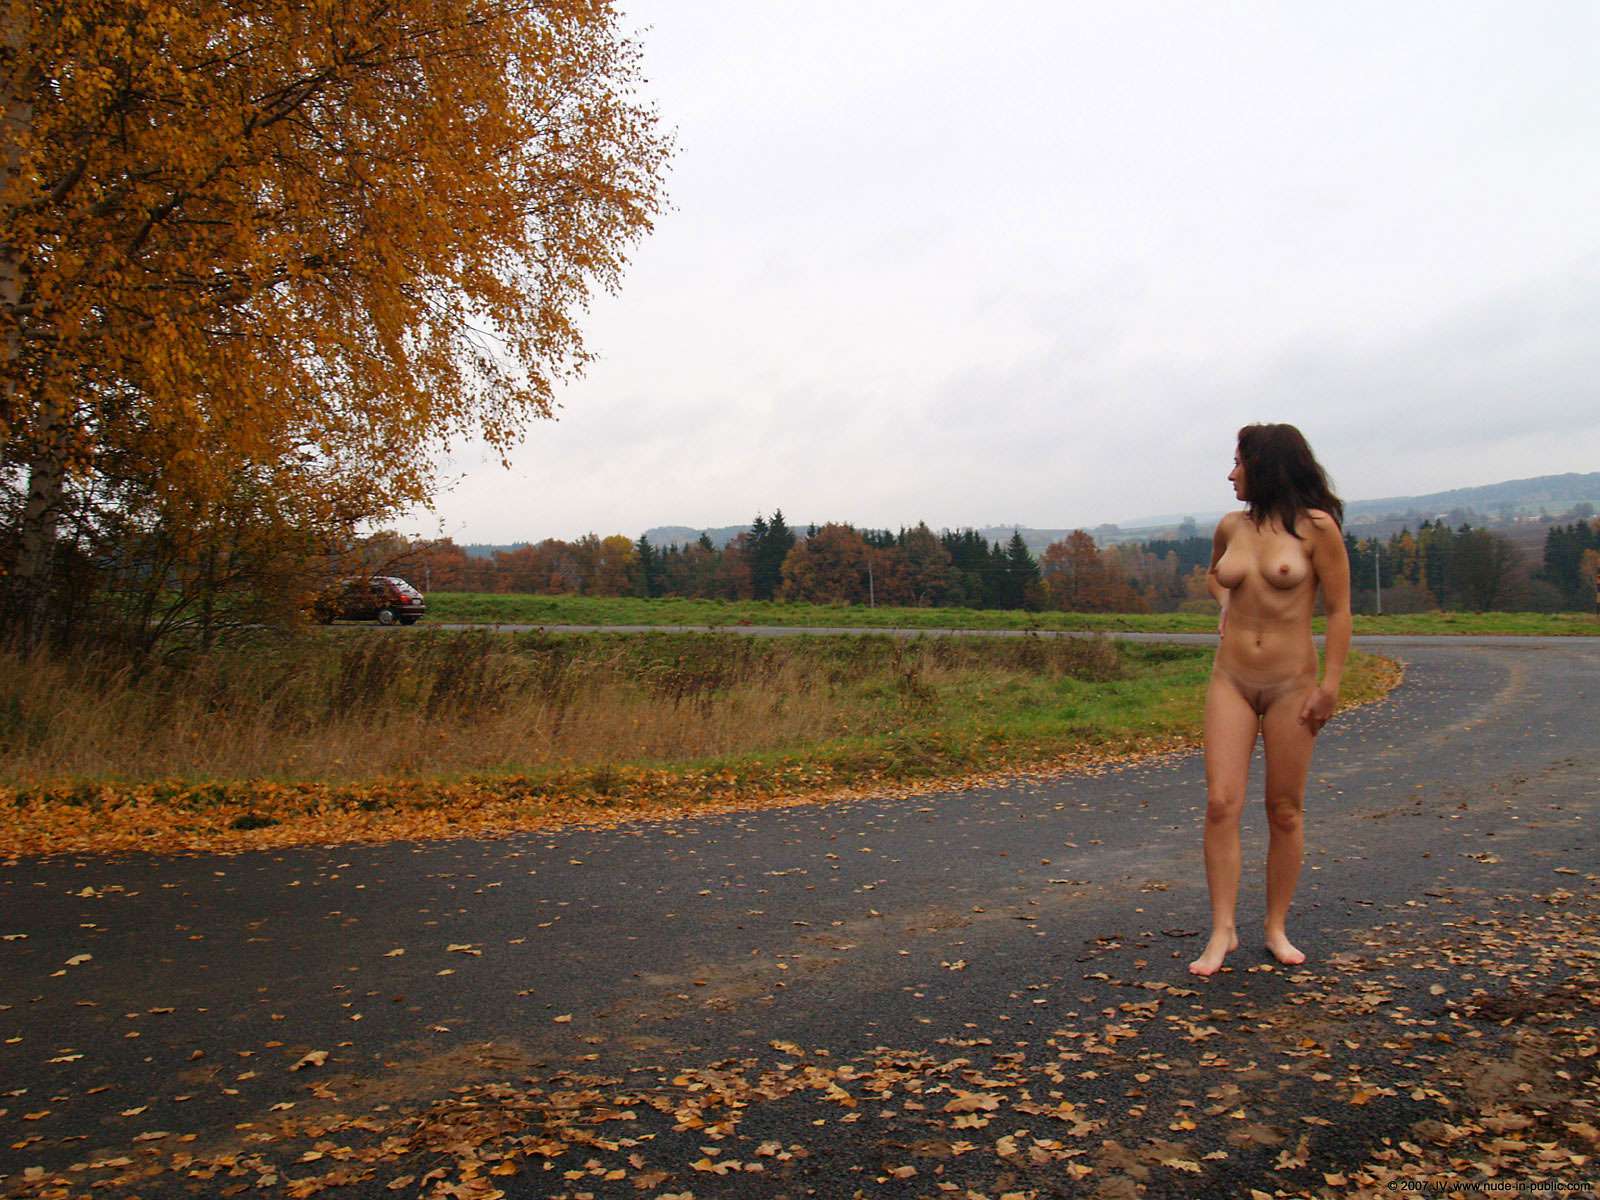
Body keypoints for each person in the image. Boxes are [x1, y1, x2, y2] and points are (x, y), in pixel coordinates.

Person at [1189, 423, 1351, 977]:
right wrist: (1223, 602)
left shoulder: (1317, 529)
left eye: (1239, 462)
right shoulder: (1230, 525)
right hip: (1230, 679)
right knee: (1221, 803)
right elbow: (1215, 576)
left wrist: (1330, 685)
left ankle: (1276, 927)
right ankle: (1222, 930)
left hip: (1292, 686)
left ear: (1267, 465)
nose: (1231, 474)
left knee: (1283, 810)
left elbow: (1340, 610)